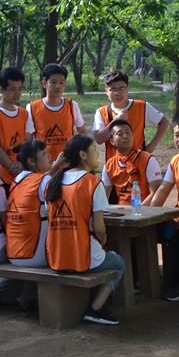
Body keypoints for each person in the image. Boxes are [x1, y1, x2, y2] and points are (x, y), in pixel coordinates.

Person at [44, 134, 126, 325]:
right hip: (84, 258)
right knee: (119, 263)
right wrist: (103, 239)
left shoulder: (53, 182)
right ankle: (96, 309)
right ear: (82, 154)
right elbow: (99, 228)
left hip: (56, 257)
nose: (98, 155)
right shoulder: (92, 183)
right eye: (94, 151)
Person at [144, 115, 179, 301]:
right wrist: (149, 214)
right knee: (148, 231)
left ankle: (178, 283)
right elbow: (163, 189)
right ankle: (141, 278)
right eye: (177, 134)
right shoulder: (175, 161)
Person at [92, 70, 170, 162]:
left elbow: (164, 122)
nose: (118, 93)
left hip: (139, 163)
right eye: (113, 89)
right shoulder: (101, 112)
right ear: (106, 91)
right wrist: (116, 120)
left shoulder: (142, 106)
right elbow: (99, 139)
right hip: (114, 166)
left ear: (127, 88)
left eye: (122, 88)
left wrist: (151, 147)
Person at [6, 139, 54, 269]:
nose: (50, 157)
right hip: (35, 255)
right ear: (31, 161)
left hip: (13, 254)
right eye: (44, 154)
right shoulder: (44, 179)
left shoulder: (16, 180)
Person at [0, 67, 35, 186]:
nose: (17, 93)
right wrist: (12, 167)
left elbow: (28, 141)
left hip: (23, 170)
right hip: (1, 174)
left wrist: (21, 163)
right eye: (12, 89)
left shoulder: (24, 113)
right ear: (1, 89)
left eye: (20, 89)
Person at [30, 63, 87, 162]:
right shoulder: (32, 107)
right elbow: (29, 138)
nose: (58, 86)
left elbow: (82, 132)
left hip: (68, 162)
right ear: (44, 83)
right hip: (44, 164)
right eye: (53, 82)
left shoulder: (72, 105)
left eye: (62, 82)